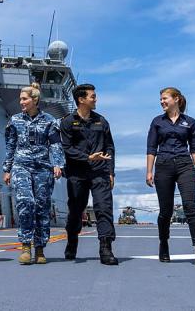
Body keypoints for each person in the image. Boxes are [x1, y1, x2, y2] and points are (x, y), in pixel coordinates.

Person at [146, 87, 195, 267]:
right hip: (163, 166)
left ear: (176, 99)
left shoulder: (190, 122)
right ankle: (164, 244)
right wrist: (149, 171)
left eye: (165, 98)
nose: (162, 102)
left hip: (185, 165)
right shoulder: (157, 122)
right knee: (166, 211)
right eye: (161, 99)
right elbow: (151, 148)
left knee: (190, 207)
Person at [3, 83, 63, 265]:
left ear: (34, 100)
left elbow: (55, 144)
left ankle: (40, 248)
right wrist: (7, 169)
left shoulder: (50, 121)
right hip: (21, 166)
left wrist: (58, 164)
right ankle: (25, 246)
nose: (21, 102)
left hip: (43, 167)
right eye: (21, 99)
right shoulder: (15, 120)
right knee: (25, 202)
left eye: (24, 99)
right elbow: (10, 146)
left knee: (42, 207)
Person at [59, 83, 118, 265]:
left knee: (104, 208)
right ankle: (72, 240)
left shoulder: (102, 121)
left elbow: (109, 147)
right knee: (76, 211)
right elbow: (66, 148)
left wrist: (111, 172)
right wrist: (87, 157)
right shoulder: (67, 122)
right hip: (77, 173)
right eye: (92, 96)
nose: (95, 99)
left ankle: (106, 249)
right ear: (81, 99)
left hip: (100, 172)